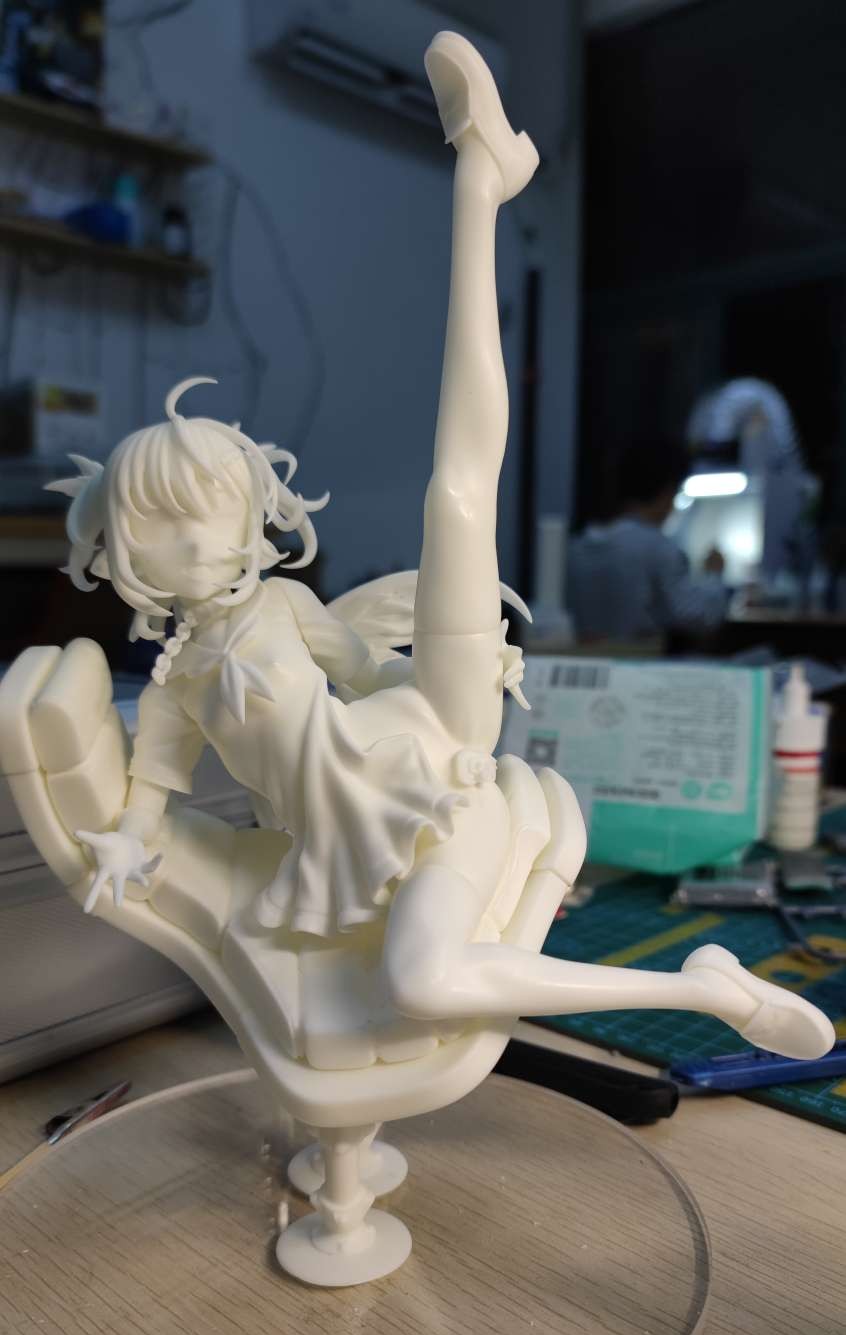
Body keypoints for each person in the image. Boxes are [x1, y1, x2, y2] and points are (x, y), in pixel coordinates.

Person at [62, 32, 830, 1060]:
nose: (191, 537)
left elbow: (362, 667)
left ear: (249, 519)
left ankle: (482, 184)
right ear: (121, 545)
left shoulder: (282, 606)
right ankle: (708, 991)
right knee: (424, 980)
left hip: (430, 732)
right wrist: (120, 846)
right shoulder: (177, 685)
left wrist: (461, 672)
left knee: (459, 490)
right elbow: (149, 800)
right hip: (362, 840)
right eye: (158, 522)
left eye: (210, 507)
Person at [567, 438, 728, 643]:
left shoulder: (580, 545)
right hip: (641, 658)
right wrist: (714, 576)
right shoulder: (657, 548)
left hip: (585, 656)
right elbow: (698, 618)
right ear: (667, 492)